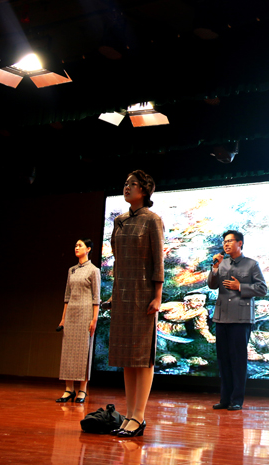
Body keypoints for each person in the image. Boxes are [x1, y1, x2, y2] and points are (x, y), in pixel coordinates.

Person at [109, 170, 165, 437]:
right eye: (125, 183)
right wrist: (114, 291)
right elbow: (117, 259)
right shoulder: (119, 221)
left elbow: (158, 260)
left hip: (144, 294)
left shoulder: (152, 220)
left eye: (132, 184)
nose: (126, 187)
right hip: (122, 294)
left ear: (144, 189)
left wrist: (158, 295)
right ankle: (129, 414)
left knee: (142, 357)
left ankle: (139, 416)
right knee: (126, 357)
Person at [208, 230, 267, 411]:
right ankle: (225, 399)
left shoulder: (251, 264)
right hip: (222, 317)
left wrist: (240, 286)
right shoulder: (222, 263)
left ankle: (236, 400)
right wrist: (215, 268)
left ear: (240, 243)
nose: (226, 244)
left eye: (230, 241)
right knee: (223, 359)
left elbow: (262, 289)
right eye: (224, 242)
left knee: (238, 360)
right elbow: (212, 285)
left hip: (241, 318)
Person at [56, 239, 101, 403]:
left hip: (86, 313)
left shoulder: (94, 270)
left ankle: (82, 390)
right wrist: (63, 318)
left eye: (80, 245)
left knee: (84, 352)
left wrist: (94, 318)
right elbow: (67, 296)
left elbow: (96, 297)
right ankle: (69, 389)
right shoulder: (72, 270)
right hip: (71, 314)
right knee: (68, 351)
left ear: (88, 249)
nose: (76, 248)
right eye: (75, 245)